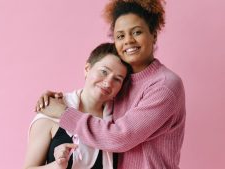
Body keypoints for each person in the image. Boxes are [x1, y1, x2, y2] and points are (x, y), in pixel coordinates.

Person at [36, 0, 186, 168]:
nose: (128, 40)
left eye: (136, 32)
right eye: (120, 36)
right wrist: (60, 98)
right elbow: (94, 98)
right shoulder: (122, 81)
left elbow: (120, 137)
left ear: (154, 35)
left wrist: (64, 113)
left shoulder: (165, 85)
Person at [24, 43, 132, 169]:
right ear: (87, 68)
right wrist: (57, 166)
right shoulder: (52, 110)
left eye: (117, 79)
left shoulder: (118, 121)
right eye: (104, 71)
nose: (108, 82)